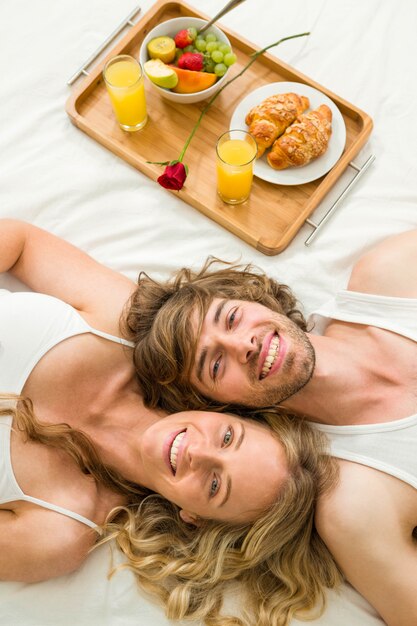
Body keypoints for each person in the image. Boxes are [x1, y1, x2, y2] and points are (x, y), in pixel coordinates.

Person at [1, 218, 337, 626]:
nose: (198, 452)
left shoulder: (56, 535)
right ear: (225, 413)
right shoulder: (123, 325)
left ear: (193, 517)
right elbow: (19, 243)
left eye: (214, 485)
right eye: (228, 438)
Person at [127, 228, 417, 626]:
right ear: (220, 407)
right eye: (214, 365)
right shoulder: (355, 506)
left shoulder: (392, 276)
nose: (242, 344)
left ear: (253, 299)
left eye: (230, 318)